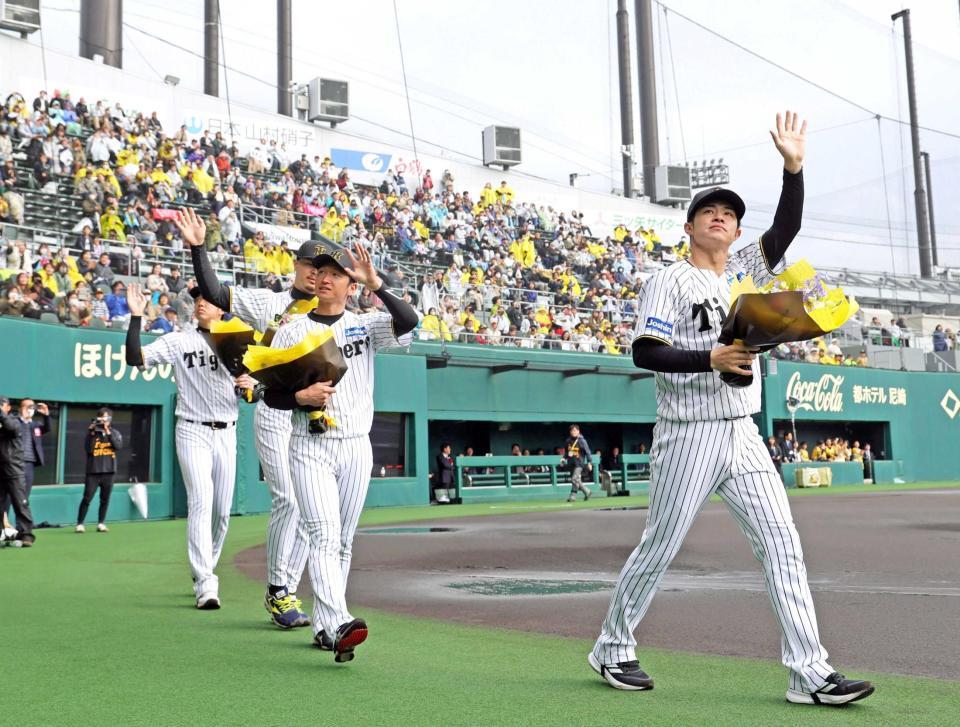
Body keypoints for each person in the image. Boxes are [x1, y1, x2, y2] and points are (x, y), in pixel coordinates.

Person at [589, 112, 874, 706]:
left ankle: (809, 672)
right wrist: (709, 359)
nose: (722, 217)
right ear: (690, 225)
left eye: (730, 214)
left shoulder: (747, 271)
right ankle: (613, 646)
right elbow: (646, 352)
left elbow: (787, 226)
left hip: (741, 433)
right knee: (661, 545)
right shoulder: (668, 280)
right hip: (687, 431)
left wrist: (793, 167)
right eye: (710, 211)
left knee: (783, 545)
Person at [262, 238, 418, 663]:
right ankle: (339, 620)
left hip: (355, 446)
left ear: (351, 285)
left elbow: (409, 321)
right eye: (321, 271)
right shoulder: (293, 329)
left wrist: (377, 285)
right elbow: (269, 394)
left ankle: (324, 629)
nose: (326, 278)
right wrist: (300, 397)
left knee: (344, 541)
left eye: (336, 273)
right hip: (310, 445)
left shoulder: (365, 324)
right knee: (323, 535)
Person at [179, 207, 314, 629]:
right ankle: (278, 591)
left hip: (313, 416)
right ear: (296, 265)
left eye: (325, 268)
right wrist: (200, 249)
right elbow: (217, 294)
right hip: (275, 410)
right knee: (288, 499)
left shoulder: (334, 315)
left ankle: (288, 589)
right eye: (310, 264)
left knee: (312, 509)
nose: (316, 274)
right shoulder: (273, 302)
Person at [125, 283, 254, 610]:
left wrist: (251, 384)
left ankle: (204, 568)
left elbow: (260, 388)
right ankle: (206, 582)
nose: (201, 303)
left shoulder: (240, 340)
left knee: (222, 511)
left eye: (208, 299)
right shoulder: (179, 340)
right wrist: (137, 317)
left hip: (227, 432)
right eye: (197, 298)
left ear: (222, 307)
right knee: (201, 501)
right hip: (192, 430)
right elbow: (134, 358)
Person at [76, 407, 123, 533]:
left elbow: (118, 446)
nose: (104, 420)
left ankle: (101, 523)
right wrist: (91, 432)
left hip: (109, 471)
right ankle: (80, 524)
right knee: (87, 498)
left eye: (106, 417)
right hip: (93, 472)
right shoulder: (92, 433)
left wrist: (107, 431)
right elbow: (89, 449)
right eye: (101, 417)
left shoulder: (115, 433)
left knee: (105, 499)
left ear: (110, 419)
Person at [0, 396, 35, 546]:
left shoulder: (14, 420)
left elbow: (11, 428)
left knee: (20, 504)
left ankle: (26, 535)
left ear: (8, 408)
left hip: (14, 469)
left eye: (1, 405)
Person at [15, 398, 50, 505]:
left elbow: (47, 428)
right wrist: (23, 418)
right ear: (20, 409)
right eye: (27, 407)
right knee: (10, 493)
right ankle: (3, 519)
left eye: (32, 407)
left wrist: (46, 415)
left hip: (30, 463)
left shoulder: (35, 425)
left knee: (25, 496)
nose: (30, 409)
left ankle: (21, 522)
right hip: (15, 463)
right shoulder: (14, 422)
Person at [563, 424, 593, 502]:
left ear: (578, 431)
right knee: (576, 480)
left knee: (574, 478)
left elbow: (587, 451)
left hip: (579, 463)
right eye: (572, 431)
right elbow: (567, 452)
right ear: (570, 432)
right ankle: (586, 492)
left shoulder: (582, 440)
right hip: (571, 462)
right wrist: (563, 458)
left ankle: (574, 495)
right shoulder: (568, 441)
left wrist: (590, 462)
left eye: (575, 430)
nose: (573, 432)